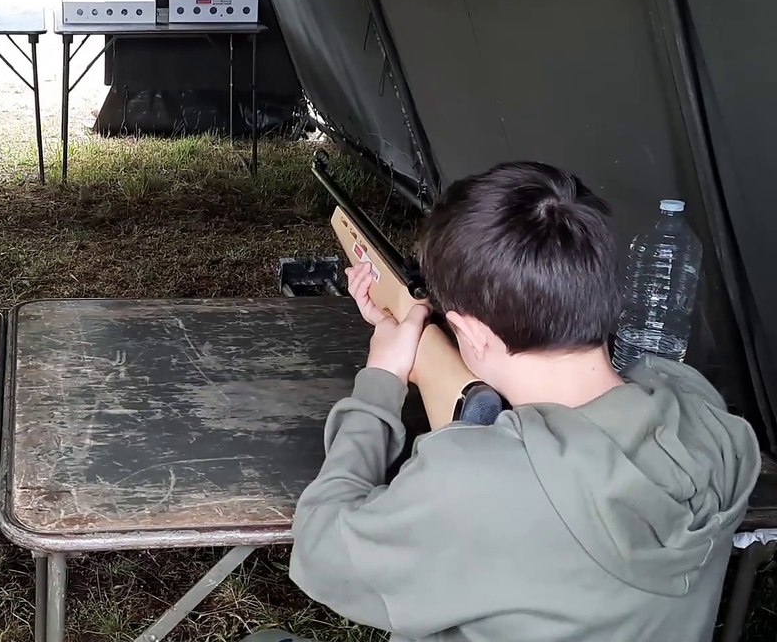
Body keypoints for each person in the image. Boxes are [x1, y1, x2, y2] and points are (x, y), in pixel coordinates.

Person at [290, 161, 760, 641]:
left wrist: (381, 378)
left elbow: (320, 548)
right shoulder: (706, 417)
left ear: (472, 331)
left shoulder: (470, 483)